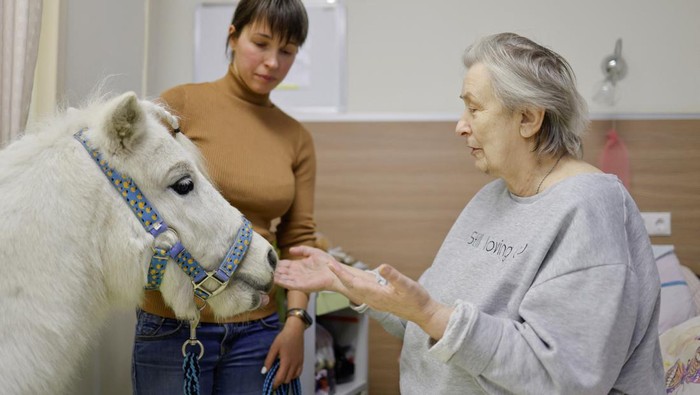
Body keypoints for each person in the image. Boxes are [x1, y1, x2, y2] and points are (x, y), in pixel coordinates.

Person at [274, 32, 665, 394]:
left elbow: (564, 374)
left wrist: (429, 314)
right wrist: (347, 280)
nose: (461, 126)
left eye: (474, 109)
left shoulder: (589, 208)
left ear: (528, 118)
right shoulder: (492, 197)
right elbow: (427, 311)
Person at [132, 1, 317, 393]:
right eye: (261, 43)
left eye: (286, 51)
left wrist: (297, 320)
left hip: (259, 329)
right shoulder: (178, 106)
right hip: (173, 325)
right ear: (233, 36)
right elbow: (139, 204)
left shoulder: (296, 137)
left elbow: (299, 240)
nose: (271, 62)